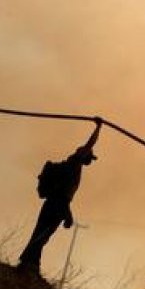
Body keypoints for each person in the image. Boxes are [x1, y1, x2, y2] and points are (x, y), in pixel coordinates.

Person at [17, 118, 102, 277]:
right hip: (57, 204)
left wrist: (67, 214)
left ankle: (31, 264)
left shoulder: (72, 165)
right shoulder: (74, 164)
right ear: (83, 155)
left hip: (55, 204)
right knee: (42, 235)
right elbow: (90, 143)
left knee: (42, 234)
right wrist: (99, 127)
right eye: (89, 156)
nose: (90, 160)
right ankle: (27, 264)